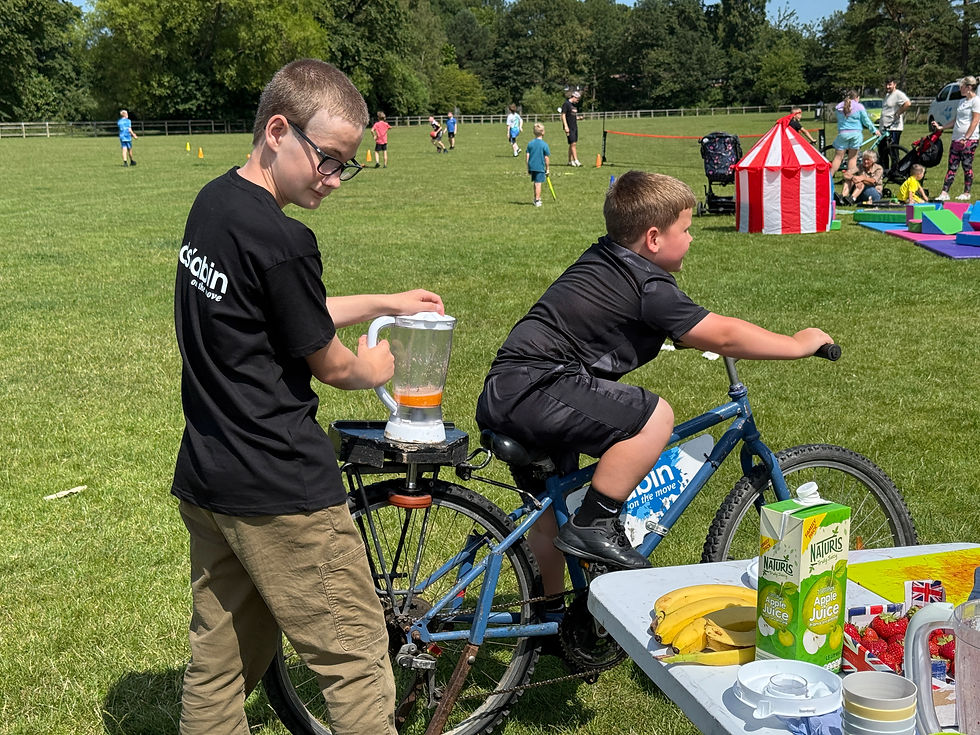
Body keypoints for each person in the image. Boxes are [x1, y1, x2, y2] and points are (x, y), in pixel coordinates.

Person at [171, 58, 445, 735]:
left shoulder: (215, 203)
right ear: (277, 130)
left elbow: (283, 307)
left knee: (222, 661)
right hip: (281, 488)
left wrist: (383, 298)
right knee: (355, 660)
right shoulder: (285, 239)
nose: (333, 179)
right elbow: (335, 367)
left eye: (345, 165)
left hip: (210, 476)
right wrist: (380, 363)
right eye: (326, 160)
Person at [475, 170, 833, 589]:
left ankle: (549, 617)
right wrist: (796, 343)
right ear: (653, 238)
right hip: (542, 388)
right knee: (655, 417)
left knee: (550, 519)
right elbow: (724, 334)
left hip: (511, 390)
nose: (692, 238)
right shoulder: (647, 285)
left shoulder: (606, 260)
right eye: (686, 228)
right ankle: (596, 523)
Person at [931, 75, 980, 201]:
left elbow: (975, 121)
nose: (960, 89)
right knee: (952, 166)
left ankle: (966, 192)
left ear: (969, 87)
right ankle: (944, 192)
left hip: (969, 140)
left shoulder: (976, 101)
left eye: (962, 87)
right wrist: (942, 127)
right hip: (956, 138)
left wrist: (966, 137)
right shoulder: (961, 101)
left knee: (966, 166)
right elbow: (956, 120)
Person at [829, 90, 875, 178]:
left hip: (843, 134)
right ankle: (849, 179)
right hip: (856, 134)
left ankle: (829, 178)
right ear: (857, 98)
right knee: (852, 158)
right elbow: (866, 121)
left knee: (838, 158)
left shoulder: (839, 107)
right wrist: (874, 130)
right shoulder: (859, 107)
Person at [879, 77, 911, 171]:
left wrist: (898, 113)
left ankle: (896, 170)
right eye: (886, 84)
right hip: (885, 128)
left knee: (892, 150)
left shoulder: (898, 94)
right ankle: (885, 170)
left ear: (894, 84)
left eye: (890, 84)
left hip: (894, 127)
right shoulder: (887, 95)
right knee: (882, 150)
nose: (887, 86)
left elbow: (907, 103)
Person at [526, 122, 550, 207]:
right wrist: (547, 169)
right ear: (543, 132)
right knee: (538, 183)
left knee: (535, 183)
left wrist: (528, 167)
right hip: (540, 167)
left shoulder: (530, 144)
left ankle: (535, 197)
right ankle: (537, 200)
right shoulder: (544, 145)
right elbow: (546, 158)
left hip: (532, 166)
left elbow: (527, 156)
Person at [561, 90, 582, 166]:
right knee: (573, 143)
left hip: (574, 127)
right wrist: (566, 126)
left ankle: (570, 161)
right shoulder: (566, 104)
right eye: (577, 99)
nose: (577, 101)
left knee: (572, 144)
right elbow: (563, 115)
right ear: (574, 97)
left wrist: (578, 118)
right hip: (569, 127)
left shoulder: (574, 106)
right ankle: (576, 160)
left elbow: (572, 116)